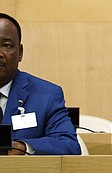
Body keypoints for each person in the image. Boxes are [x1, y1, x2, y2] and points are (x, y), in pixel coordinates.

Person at [0, 13, 80, 155]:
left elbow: (69, 146)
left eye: (6, 46)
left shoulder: (46, 95)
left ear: (20, 53)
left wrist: (23, 147)